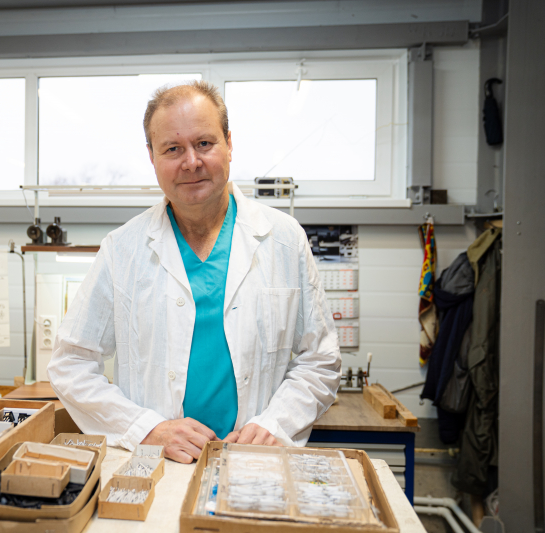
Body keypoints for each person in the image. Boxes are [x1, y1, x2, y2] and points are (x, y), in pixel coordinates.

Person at [48, 80, 341, 464]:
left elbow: (319, 361)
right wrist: (146, 429)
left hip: (254, 461)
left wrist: (275, 425)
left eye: (204, 143)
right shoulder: (123, 250)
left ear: (229, 144)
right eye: (173, 149)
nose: (191, 162)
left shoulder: (284, 240)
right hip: (157, 465)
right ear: (152, 156)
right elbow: (70, 363)